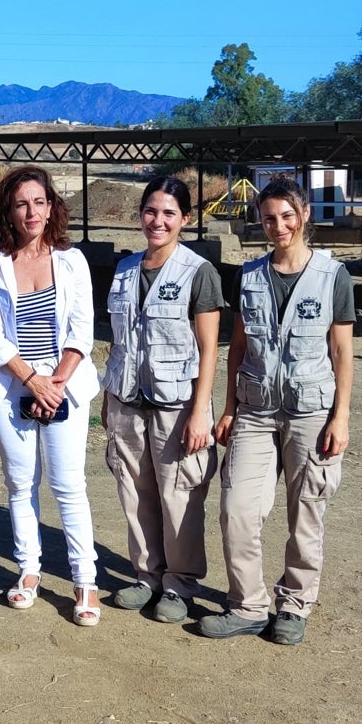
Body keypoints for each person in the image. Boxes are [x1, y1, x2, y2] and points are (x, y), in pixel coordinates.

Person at [198, 176, 354, 646]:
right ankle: (247, 604)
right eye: (269, 218)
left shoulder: (332, 277)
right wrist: (227, 408)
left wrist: (340, 415)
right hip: (256, 412)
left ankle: (294, 604)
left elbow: (342, 352)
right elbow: (238, 347)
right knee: (237, 508)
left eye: (287, 216)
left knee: (306, 511)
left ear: (304, 215)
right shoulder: (248, 277)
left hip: (311, 412)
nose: (278, 225)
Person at [0, 165, 101, 627]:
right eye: (22, 203)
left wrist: (56, 383)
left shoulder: (72, 261)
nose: (32, 211)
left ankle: (85, 581)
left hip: (64, 386)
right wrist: (32, 382)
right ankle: (29, 570)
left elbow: (82, 331)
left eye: (40, 202)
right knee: (21, 482)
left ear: (52, 208)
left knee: (68, 486)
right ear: (8, 210)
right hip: (12, 389)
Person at [101, 176, 224, 624]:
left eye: (169, 213)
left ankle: (180, 583)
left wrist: (201, 413)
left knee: (179, 494)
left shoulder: (197, 272)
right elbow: (120, 342)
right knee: (133, 489)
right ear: (140, 216)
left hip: (178, 405)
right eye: (151, 211)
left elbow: (209, 348)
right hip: (127, 400)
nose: (158, 220)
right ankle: (146, 575)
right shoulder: (125, 269)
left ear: (185, 220)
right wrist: (108, 398)